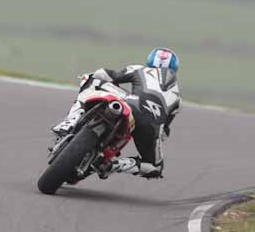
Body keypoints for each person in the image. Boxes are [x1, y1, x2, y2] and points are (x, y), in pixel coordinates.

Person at [52, 48, 182, 179]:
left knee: (91, 79)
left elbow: (105, 74)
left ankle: (69, 122)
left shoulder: (139, 69)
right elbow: (164, 132)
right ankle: (116, 165)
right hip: (151, 126)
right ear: (174, 68)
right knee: (156, 168)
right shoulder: (177, 97)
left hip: (130, 103)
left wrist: (93, 76)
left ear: (150, 60)